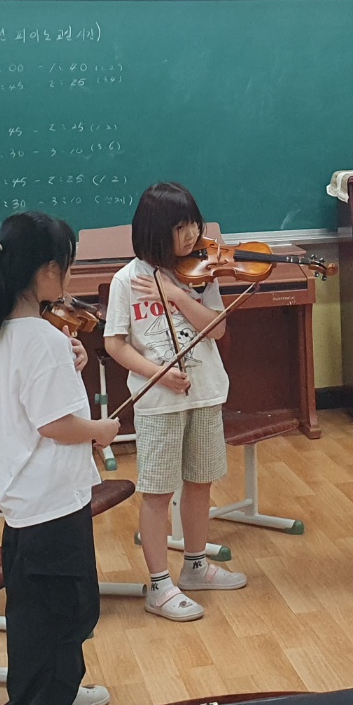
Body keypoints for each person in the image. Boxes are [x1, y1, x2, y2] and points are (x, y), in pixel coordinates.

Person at [0, 211, 119, 705]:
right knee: (69, 611)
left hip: (27, 500)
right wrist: (100, 430)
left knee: (35, 615)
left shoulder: (8, 332)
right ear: (48, 270)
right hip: (52, 500)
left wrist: (71, 362)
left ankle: (55, 695)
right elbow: (55, 423)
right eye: (67, 266)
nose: (69, 277)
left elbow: (37, 395)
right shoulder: (45, 339)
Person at [104, 182, 246, 622]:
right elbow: (115, 343)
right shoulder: (127, 281)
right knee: (158, 492)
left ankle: (196, 565)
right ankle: (159, 584)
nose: (191, 235)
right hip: (159, 403)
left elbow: (217, 329)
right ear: (153, 230)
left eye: (193, 225)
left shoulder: (199, 273)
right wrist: (157, 373)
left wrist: (179, 296)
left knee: (201, 482)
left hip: (205, 392)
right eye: (180, 227)